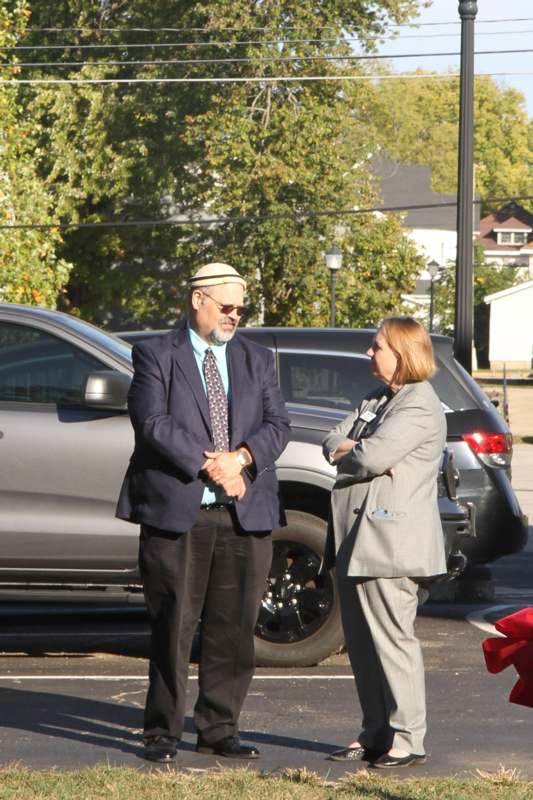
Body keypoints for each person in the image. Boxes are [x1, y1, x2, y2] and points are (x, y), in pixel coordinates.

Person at [116, 262, 290, 763]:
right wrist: (212, 464)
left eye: (241, 309)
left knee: (233, 629)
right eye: (227, 306)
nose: (235, 316)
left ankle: (219, 729)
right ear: (198, 300)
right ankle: (162, 732)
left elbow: (278, 424)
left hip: (243, 513)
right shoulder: (156, 354)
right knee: (173, 625)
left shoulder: (258, 358)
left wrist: (242, 459)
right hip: (179, 513)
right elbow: (152, 422)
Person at [322, 316, 446, 769]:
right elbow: (330, 441)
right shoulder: (377, 398)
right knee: (362, 647)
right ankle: (375, 732)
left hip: (391, 543)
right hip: (356, 540)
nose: (369, 353)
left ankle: (408, 738)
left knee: (393, 642)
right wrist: (353, 450)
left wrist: (359, 451)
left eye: (377, 346)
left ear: (402, 352)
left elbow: (370, 455)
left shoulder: (419, 404)